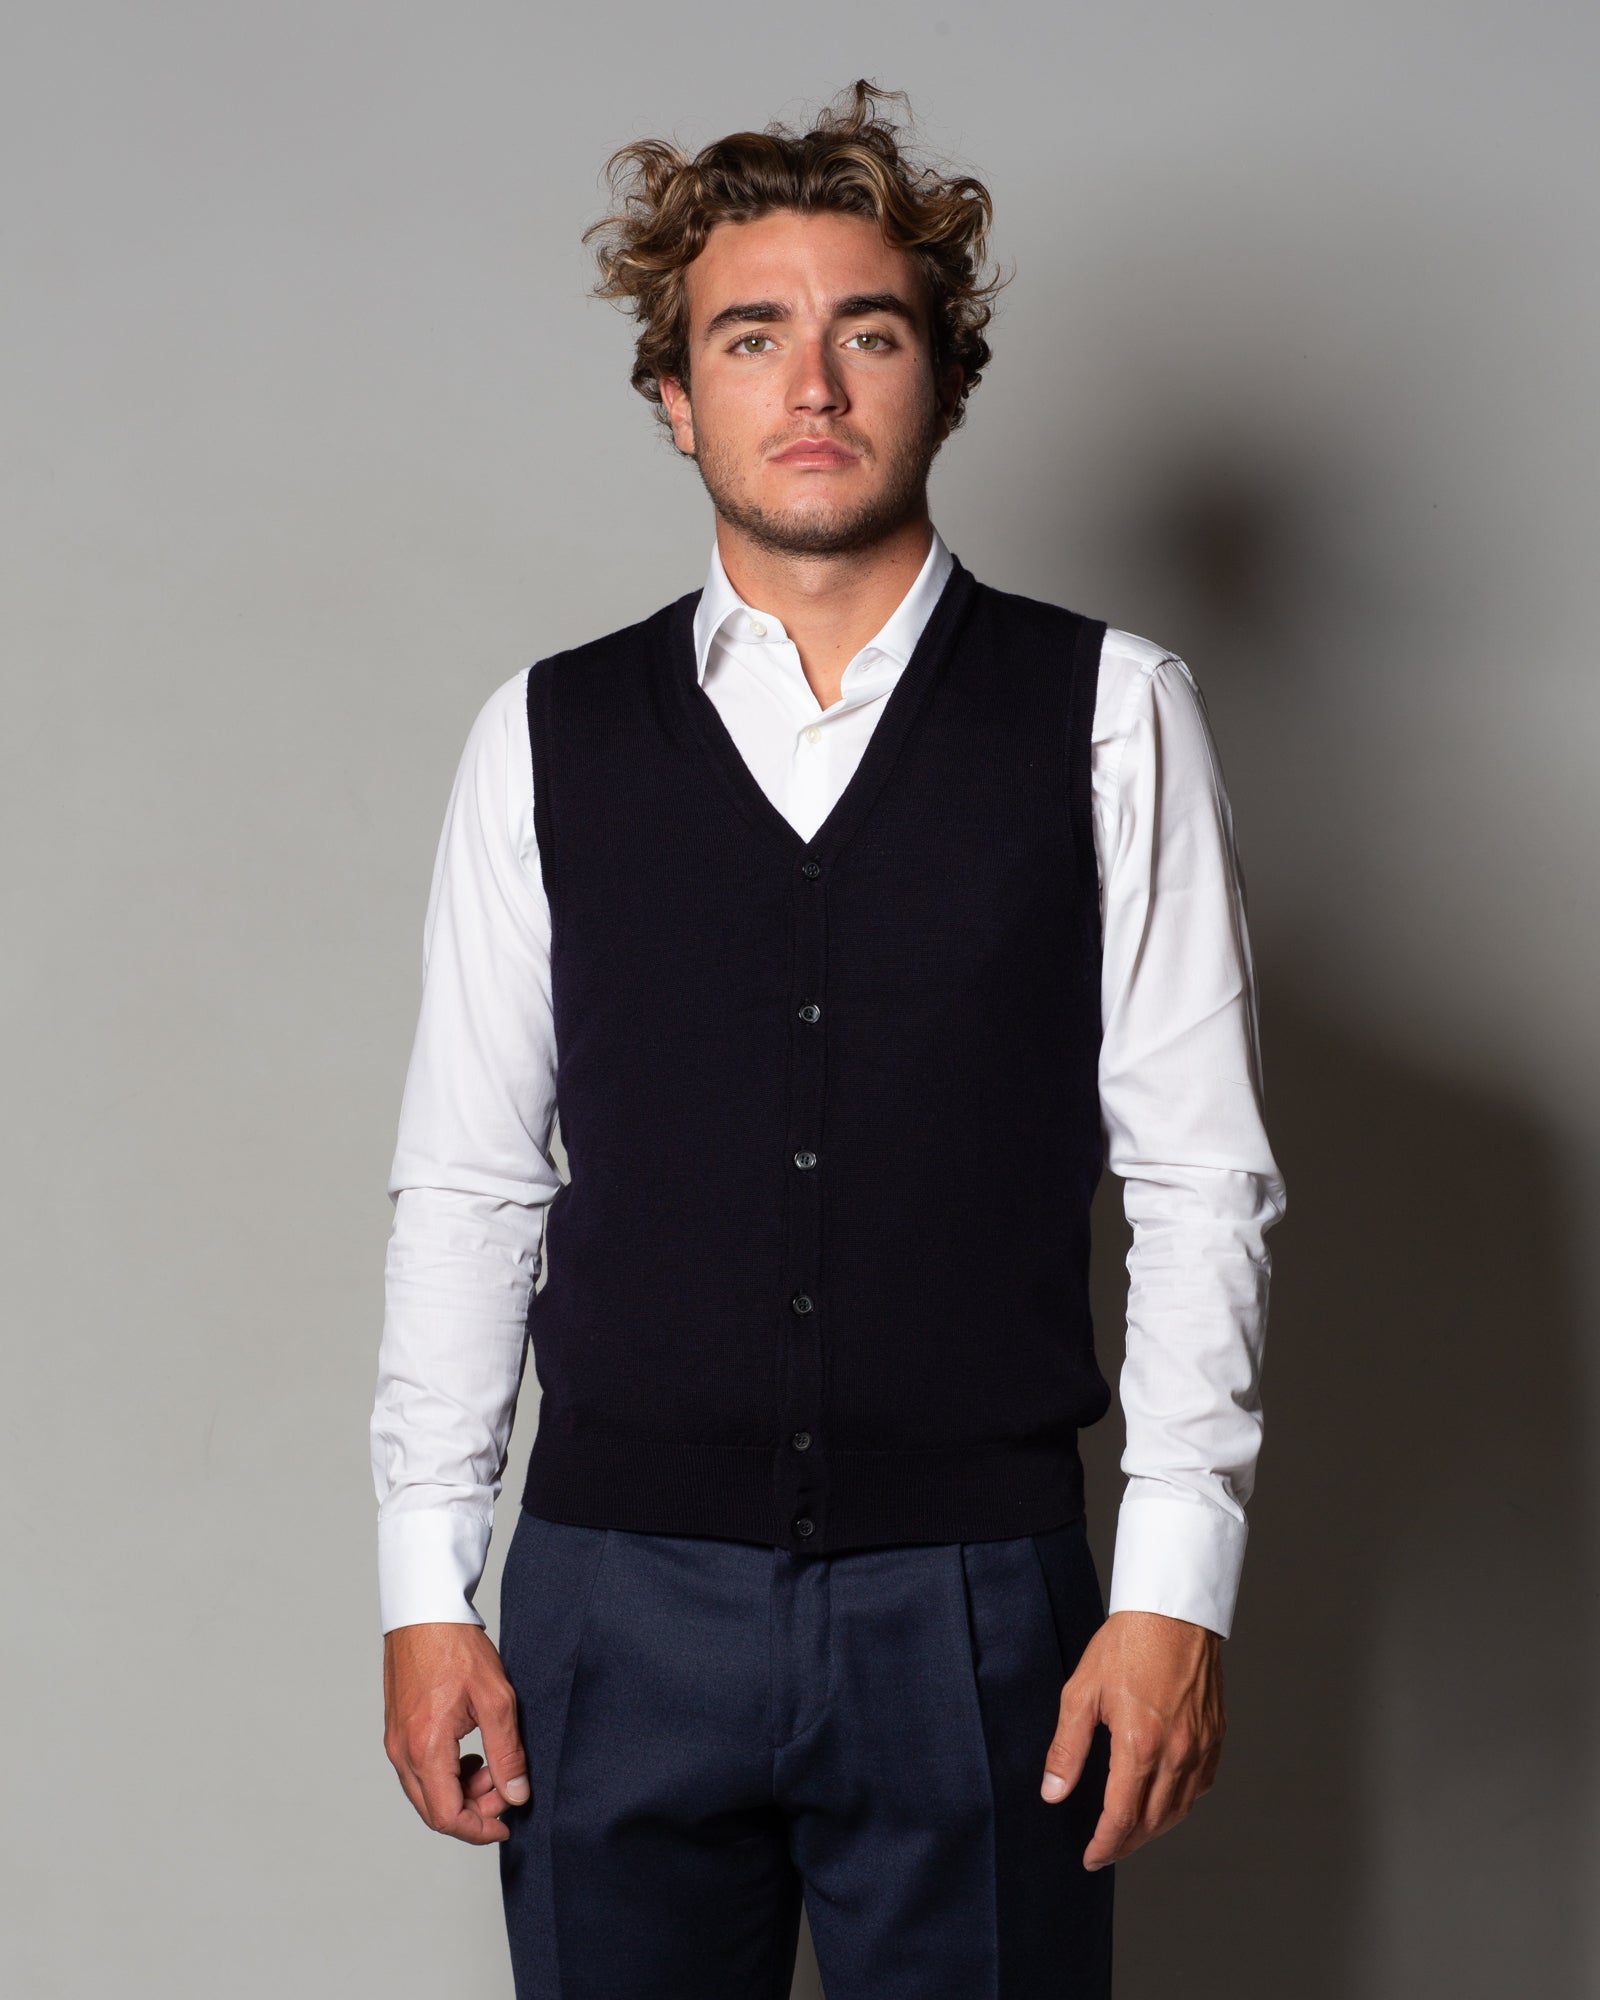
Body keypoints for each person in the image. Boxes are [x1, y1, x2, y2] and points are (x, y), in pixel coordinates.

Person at [371, 79, 1287, 1999]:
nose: (810, 384)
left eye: (866, 333)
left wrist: (1170, 1589)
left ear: (941, 380)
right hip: (614, 1604)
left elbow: (1203, 1180)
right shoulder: (544, 737)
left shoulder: (1111, 713)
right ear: (673, 395)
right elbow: (473, 1182)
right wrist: (422, 1585)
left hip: (981, 1613)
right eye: (748, 337)